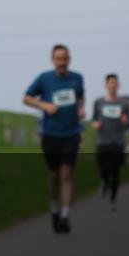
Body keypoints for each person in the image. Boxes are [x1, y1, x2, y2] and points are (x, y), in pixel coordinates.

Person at [23, 44, 85, 234]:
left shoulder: (77, 78)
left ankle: (65, 216)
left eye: (65, 59)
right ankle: (54, 209)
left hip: (72, 133)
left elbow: (80, 97)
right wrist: (44, 106)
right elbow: (26, 98)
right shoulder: (45, 78)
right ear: (53, 60)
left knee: (67, 173)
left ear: (69, 59)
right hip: (50, 133)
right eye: (58, 59)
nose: (62, 62)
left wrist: (81, 108)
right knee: (54, 174)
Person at [92, 73, 129, 211]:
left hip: (118, 142)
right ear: (106, 85)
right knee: (103, 168)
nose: (113, 85)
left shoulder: (124, 104)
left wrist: (126, 122)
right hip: (102, 141)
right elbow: (94, 119)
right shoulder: (99, 102)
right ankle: (104, 181)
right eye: (110, 83)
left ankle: (113, 200)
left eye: (115, 83)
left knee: (115, 172)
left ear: (118, 85)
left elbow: (127, 123)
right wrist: (95, 124)